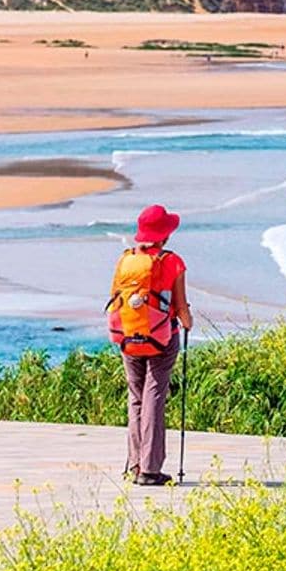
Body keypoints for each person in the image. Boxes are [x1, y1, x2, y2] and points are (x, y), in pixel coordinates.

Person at [106, 203, 193, 486]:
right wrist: (187, 321)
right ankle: (151, 469)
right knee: (155, 395)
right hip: (161, 338)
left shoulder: (125, 260)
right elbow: (181, 310)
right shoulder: (172, 262)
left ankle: (135, 464)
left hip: (128, 336)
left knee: (136, 397)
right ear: (165, 235)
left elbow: (115, 299)